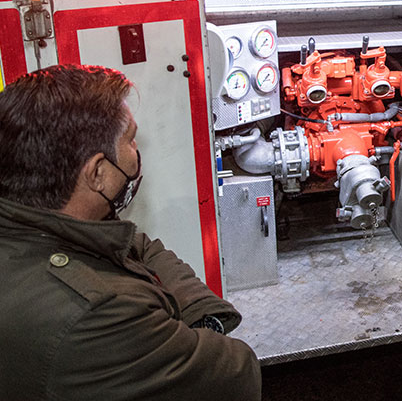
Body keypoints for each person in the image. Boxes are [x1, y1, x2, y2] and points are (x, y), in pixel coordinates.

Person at [0, 65, 261, 401]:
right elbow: (235, 376)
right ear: (97, 173)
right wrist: (199, 330)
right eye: (130, 138)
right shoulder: (98, 316)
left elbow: (137, 243)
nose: (137, 151)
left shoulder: (39, 220)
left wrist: (194, 313)